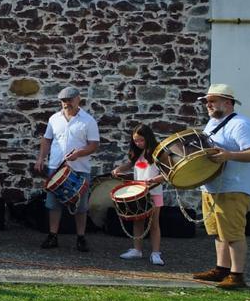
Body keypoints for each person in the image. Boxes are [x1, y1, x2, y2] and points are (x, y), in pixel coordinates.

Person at [192, 84, 250, 289]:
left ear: (228, 102)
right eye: (207, 101)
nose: (208, 104)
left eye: (212, 100)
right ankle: (221, 269)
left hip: (234, 187)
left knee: (232, 233)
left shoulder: (241, 124)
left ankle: (237, 274)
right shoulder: (212, 123)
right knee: (218, 232)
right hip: (213, 186)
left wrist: (229, 155)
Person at [34, 87, 99, 252]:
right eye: (63, 101)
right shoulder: (54, 119)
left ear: (78, 99)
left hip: (79, 169)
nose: (66, 104)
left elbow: (94, 145)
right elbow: (47, 140)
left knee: (81, 206)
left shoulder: (88, 120)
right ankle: (52, 235)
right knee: (53, 204)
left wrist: (79, 153)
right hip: (56, 168)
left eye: (69, 100)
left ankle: (81, 237)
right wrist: (41, 158)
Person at [111, 124, 167, 265]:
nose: (138, 143)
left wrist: (154, 180)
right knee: (138, 221)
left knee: (154, 224)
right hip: (139, 194)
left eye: (141, 140)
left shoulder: (159, 153)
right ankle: (137, 250)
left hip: (154, 193)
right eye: (136, 141)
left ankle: (156, 253)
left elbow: (167, 174)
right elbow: (129, 165)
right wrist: (119, 169)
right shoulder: (137, 153)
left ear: (148, 138)